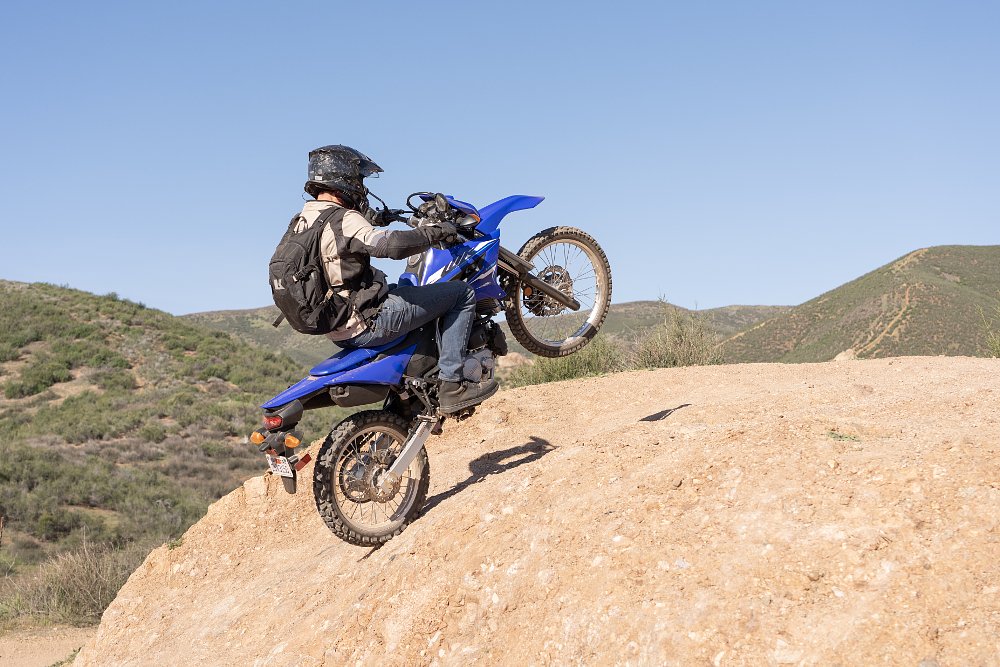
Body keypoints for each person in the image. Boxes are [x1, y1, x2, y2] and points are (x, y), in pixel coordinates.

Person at [295, 144, 498, 413]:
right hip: (367, 320)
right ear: (344, 178)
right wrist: (435, 233)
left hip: (336, 325)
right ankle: (452, 385)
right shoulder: (345, 218)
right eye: (359, 178)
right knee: (461, 293)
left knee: (407, 289)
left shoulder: (304, 219)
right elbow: (389, 246)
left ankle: (421, 378)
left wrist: (378, 218)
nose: (361, 185)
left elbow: (342, 240)